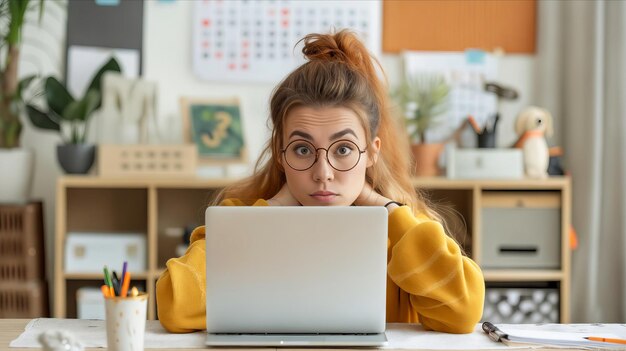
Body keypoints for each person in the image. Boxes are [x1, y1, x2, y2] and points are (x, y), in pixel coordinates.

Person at [156, 30, 485, 334]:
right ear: (280, 154)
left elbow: (463, 312)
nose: (323, 172)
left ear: (372, 152)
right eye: (302, 149)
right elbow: (174, 307)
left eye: (343, 149)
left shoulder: (405, 228)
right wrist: (268, 212)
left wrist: (382, 206)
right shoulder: (241, 218)